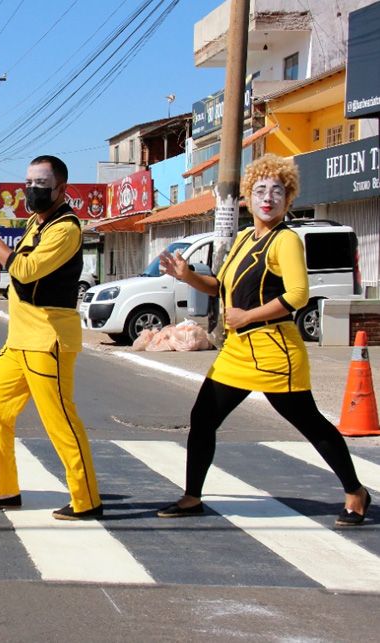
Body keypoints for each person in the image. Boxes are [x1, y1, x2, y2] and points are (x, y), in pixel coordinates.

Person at [156, 154, 369, 526]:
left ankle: (355, 491)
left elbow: (298, 295)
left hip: (274, 349)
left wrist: (247, 317)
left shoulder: (286, 240)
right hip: (238, 350)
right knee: (203, 417)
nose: (268, 198)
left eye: (277, 191)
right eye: (260, 190)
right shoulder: (243, 238)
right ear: (247, 197)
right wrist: (187, 276)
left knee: (309, 422)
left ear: (289, 198)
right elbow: (221, 286)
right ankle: (192, 497)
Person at [0, 155, 102, 520]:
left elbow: (24, 270)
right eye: (28, 183)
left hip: (48, 339)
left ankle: (87, 499)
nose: (31, 190)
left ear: (61, 189)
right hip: (19, 339)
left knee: (60, 420)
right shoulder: (36, 224)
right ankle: (3, 489)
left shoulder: (66, 229)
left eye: (40, 184)